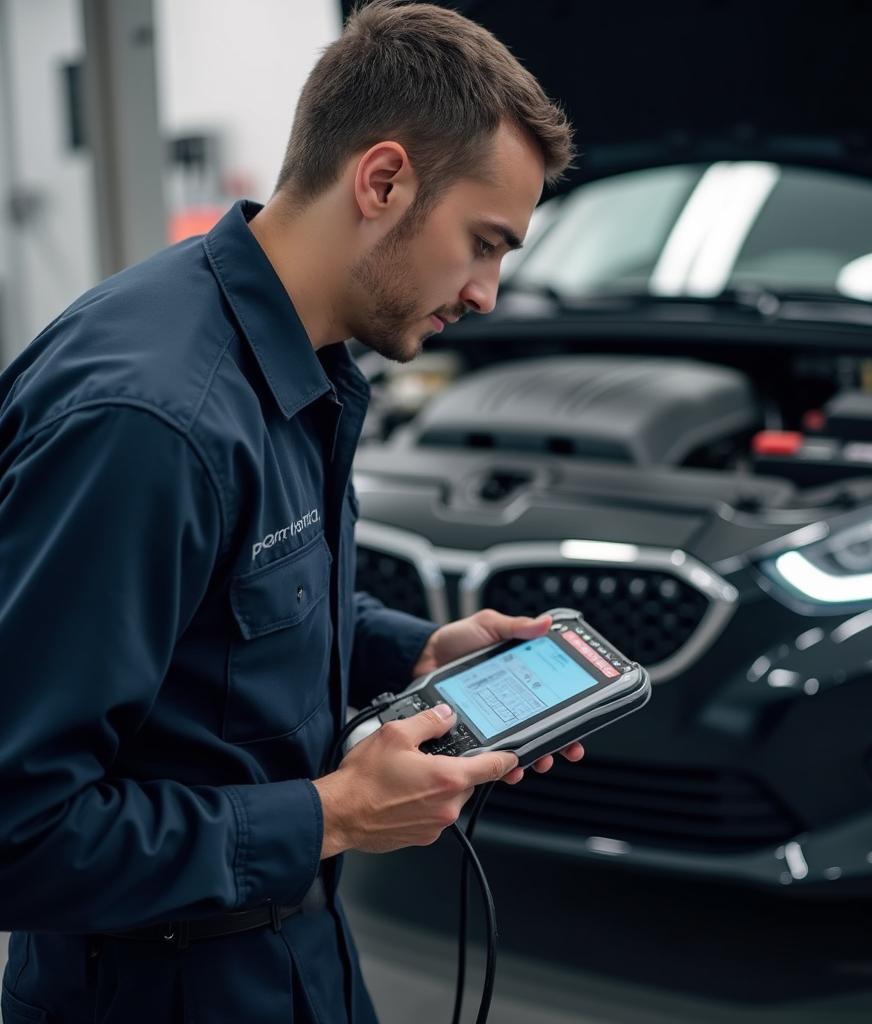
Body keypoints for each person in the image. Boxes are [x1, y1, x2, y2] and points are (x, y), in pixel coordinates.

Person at [0, 2, 577, 1021]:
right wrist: (331, 816)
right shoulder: (153, 424)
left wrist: (417, 651)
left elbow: (229, 617)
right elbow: (20, 829)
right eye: (484, 243)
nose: (487, 292)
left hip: (293, 953)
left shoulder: (301, 361)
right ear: (384, 180)